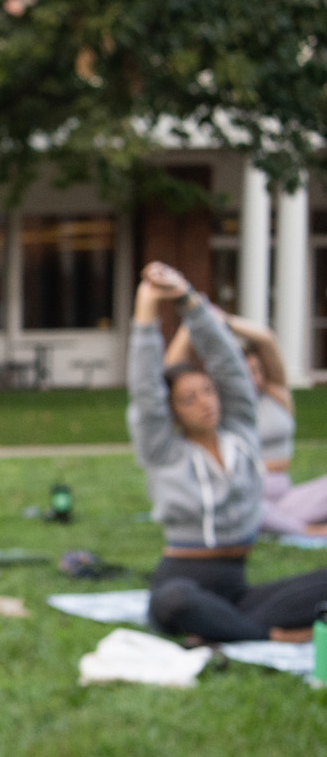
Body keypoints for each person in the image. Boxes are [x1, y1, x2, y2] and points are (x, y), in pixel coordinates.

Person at [131, 262, 327, 642]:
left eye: (207, 390)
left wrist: (189, 300)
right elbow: (144, 391)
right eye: (189, 399)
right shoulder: (164, 451)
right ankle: (272, 637)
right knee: (176, 601)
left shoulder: (240, 432)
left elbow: (230, 366)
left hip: (236, 593)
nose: (205, 402)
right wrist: (147, 308)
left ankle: (229, 630)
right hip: (181, 584)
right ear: (173, 411)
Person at [166, 312, 327, 537]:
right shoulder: (219, 409)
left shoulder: (276, 395)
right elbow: (172, 371)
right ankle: (306, 529)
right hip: (245, 499)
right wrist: (192, 321)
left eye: (257, 371)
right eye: (245, 372)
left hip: (286, 498)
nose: (255, 379)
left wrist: (224, 319)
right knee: (246, 506)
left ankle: (284, 522)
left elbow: (266, 340)